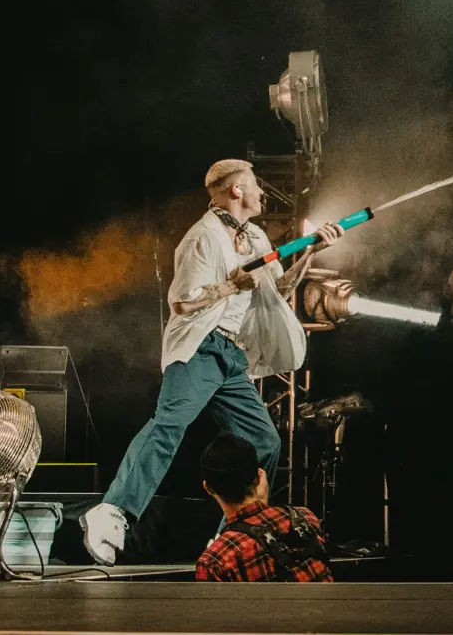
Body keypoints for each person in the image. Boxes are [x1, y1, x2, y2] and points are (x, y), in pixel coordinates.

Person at [81, 159, 344, 565]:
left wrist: (311, 251)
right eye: (255, 184)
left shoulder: (255, 236)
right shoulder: (202, 237)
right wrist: (230, 285)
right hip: (201, 346)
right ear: (236, 190)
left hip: (231, 355)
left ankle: (235, 534)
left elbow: (278, 289)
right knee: (169, 425)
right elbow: (182, 302)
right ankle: (112, 511)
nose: (262, 192)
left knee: (265, 442)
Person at [195, 432, 332, 582]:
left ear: (208, 488)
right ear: (259, 476)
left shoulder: (215, 561)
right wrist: (261, 505)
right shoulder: (306, 517)